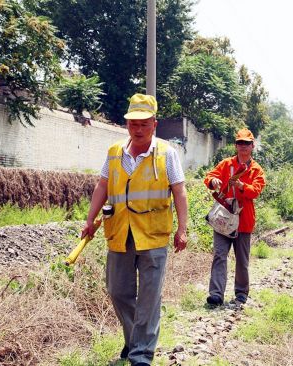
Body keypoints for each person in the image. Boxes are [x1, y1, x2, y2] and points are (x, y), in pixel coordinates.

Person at [81, 94, 188, 366]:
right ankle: (133, 339)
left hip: (153, 235)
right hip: (119, 233)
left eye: (143, 124)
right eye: (132, 124)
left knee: (149, 298)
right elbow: (102, 186)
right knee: (118, 291)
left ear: (155, 124)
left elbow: (179, 191)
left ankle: (141, 354)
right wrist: (89, 219)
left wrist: (182, 229)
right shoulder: (115, 152)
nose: (137, 129)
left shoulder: (167, 153)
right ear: (127, 125)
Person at [204, 128, 266, 307]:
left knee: (242, 260)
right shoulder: (226, 164)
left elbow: (255, 191)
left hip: (244, 220)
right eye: (240, 143)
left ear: (252, 146)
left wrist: (240, 185)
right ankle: (216, 294)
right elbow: (210, 177)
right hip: (223, 218)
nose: (243, 146)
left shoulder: (256, 170)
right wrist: (213, 181)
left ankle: (241, 294)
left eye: (246, 143)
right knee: (219, 255)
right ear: (235, 145)